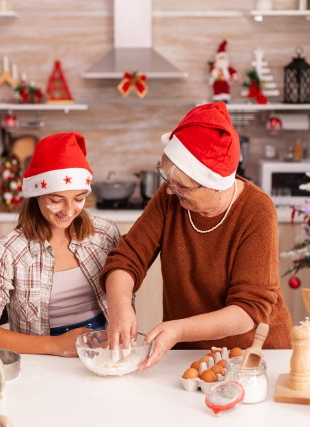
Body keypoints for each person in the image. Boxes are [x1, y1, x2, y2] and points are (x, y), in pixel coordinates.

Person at [101, 102, 292, 370]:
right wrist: (120, 306)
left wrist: (178, 330)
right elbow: (126, 258)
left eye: (182, 188)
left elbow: (248, 311)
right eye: (167, 181)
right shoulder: (170, 199)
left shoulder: (257, 211)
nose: (170, 192)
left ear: (215, 185)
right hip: (189, 356)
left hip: (254, 355)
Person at [0, 132, 120, 357]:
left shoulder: (104, 233)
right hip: (41, 359)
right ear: (36, 195)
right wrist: (56, 346)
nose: (69, 211)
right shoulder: (7, 251)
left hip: (106, 355)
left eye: (79, 199)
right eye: (56, 200)